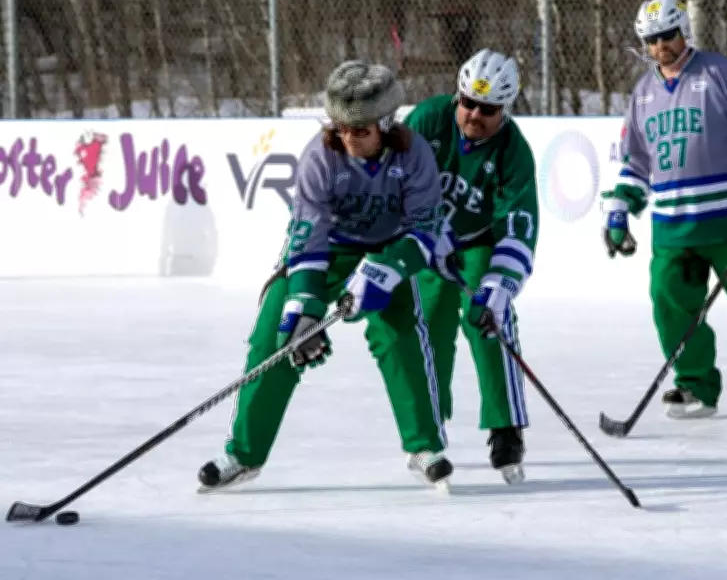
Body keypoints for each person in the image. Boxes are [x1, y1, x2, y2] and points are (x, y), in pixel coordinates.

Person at [197, 60, 454, 491]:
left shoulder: (415, 157)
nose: (347, 138)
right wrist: (304, 308)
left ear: (386, 125)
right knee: (275, 335)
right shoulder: (320, 157)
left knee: (401, 335)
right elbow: (307, 235)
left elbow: (425, 232)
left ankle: (425, 447)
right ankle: (243, 454)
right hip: (327, 250)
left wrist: (388, 271)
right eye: (339, 128)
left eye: (360, 130)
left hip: (388, 249)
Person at [601, 0, 727, 419]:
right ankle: (695, 387)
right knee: (670, 304)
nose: (661, 47)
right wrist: (620, 209)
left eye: (668, 36)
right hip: (673, 229)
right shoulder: (642, 95)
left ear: (683, 30)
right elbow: (635, 163)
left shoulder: (719, 73)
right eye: (652, 40)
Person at [402, 49, 539, 483]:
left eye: (489, 109)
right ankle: (428, 429)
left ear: (506, 109)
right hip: (429, 240)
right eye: (468, 102)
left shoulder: (514, 152)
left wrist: (498, 286)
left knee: (489, 321)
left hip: (481, 242)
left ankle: (506, 429)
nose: (475, 114)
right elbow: (391, 181)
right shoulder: (426, 120)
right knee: (428, 323)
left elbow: (519, 228)